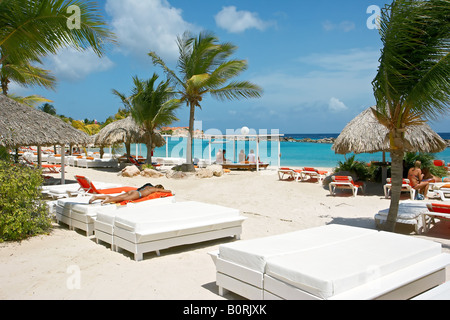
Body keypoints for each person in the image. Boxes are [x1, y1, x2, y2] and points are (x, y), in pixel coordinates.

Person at [89, 183, 172, 205]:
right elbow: (167, 191)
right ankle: (107, 201)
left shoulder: (148, 187)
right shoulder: (153, 189)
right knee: (123, 199)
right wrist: (170, 191)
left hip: (133, 191)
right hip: (137, 194)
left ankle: (96, 197)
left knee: (115, 196)